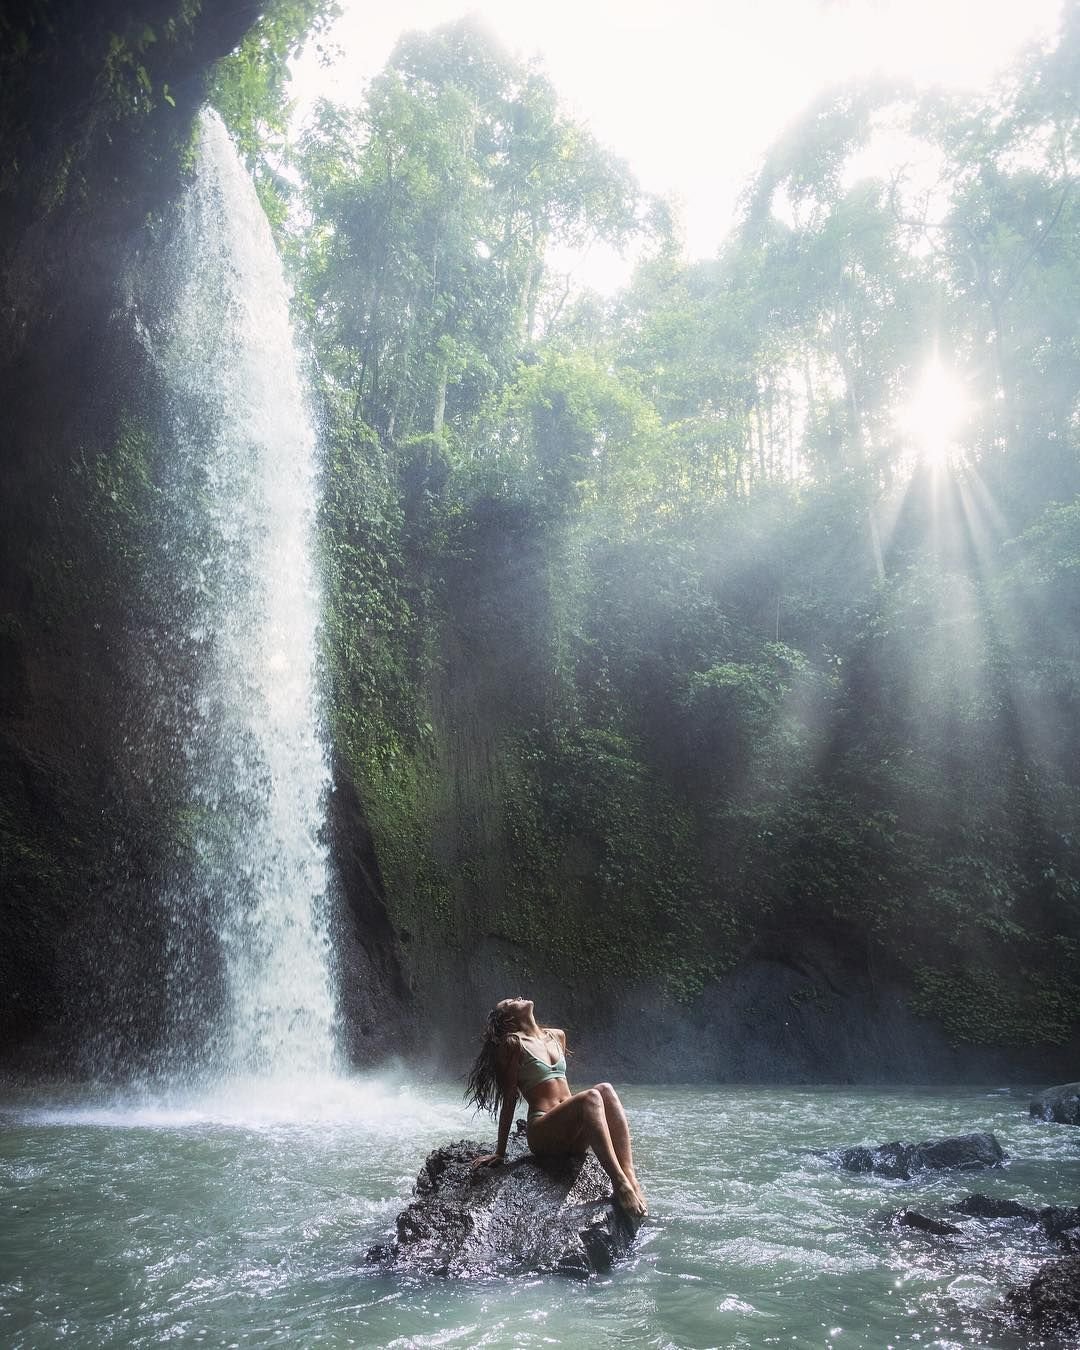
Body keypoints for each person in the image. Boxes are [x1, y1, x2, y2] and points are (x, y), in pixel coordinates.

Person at [464, 996, 647, 1218]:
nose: (518, 997)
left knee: (605, 1090)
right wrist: (500, 1152)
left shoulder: (557, 1036)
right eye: (510, 1002)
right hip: (543, 1132)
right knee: (591, 1096)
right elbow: (510, 1098)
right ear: (508, 1018)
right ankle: (619, 1183)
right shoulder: (512, 1044)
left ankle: (630, 1176)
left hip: (573, 1134)